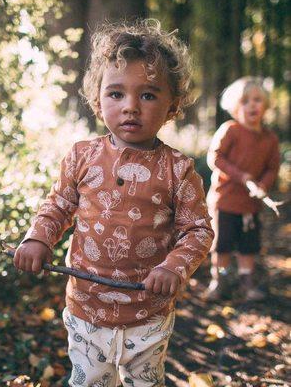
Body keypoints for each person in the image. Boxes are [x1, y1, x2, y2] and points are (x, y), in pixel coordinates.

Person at [14, 19, 214, 386]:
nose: (131, 107)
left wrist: (174, 267)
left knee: (144, 381)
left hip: (148, 312)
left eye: (149, 95)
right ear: (97, 99)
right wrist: (38, 239)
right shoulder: (82, 157)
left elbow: (197, 231)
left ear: (172, 106)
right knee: (90, 380)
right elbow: (58, 205)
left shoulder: (179, 171)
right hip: (86, 307)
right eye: (117, 94)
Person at [205, 76, 280, 302]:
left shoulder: (270, 139)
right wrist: (242, 176)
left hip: (251, 204)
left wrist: (263, 186)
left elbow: (272, 167)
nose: (252, 105)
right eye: (245, 101)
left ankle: (247, 283)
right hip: (225, 200)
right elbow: (215, 157)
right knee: (223, 245)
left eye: (257, 100)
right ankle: (220, 281)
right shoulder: (230, 130)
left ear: (265, 105)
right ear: (235, 107)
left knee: (248, 246)